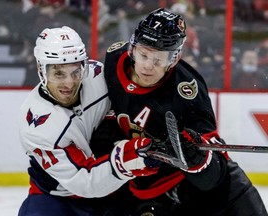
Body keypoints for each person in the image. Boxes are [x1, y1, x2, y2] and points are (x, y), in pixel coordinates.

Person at [103, 8, 268, 215]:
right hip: (152, 193)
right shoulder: (112, 62)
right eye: (143, 55)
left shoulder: (187, 90)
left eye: (158, 60)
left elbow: (213, 175)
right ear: (132, 47)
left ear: (174, 58)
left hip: (215, 193)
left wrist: (198, 160)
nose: (147, 66)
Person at [18, 26, 160, 216]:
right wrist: (127, 160)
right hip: (58, 197)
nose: (69, 83)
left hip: (113, 190)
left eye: (75, 72)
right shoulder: (37, 124)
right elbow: (84, 181)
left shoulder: (99, 78)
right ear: (41, 70)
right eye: (59, 74)